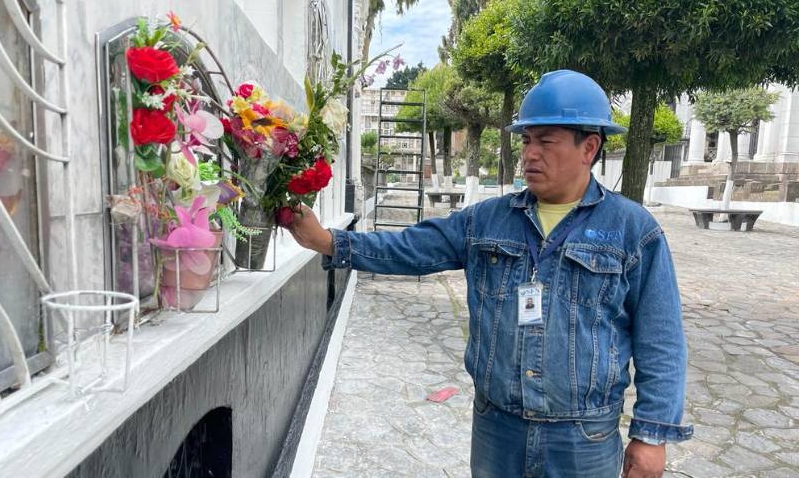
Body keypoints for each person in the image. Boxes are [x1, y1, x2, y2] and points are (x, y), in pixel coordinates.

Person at [287, 70, 692, 478]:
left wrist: (651, 435)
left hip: (582, 438)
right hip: (498, 429)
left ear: (589, 147)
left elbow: (661, 339)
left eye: (546, 141)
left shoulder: (632, 231)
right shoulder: (487, 221)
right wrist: (328, 242)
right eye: (527, 141)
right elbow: (412, 247)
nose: (530, 154)